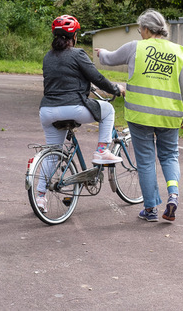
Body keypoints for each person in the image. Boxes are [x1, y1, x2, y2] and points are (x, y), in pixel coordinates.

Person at [96, 9, 183, 222]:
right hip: (169, 115)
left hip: (140, 116)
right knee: (169, 156)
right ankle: (173, 195)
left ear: (147, 29)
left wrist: (101, 52)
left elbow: (110, 59)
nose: (140, 33)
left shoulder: (135, 48)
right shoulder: (177, 51)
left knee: (147, 161)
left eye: (141, 29)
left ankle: (150, 210)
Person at [37, 15, 125, 212]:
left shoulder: (47, 57)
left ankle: (40, 197)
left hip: (47, 111)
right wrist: (116, 89)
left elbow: (61, 78)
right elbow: (97, 77)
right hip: (72, 107)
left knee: (52, 155)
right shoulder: (78, 54)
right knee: (108, 110)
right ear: (74, 36)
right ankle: (102, 150)